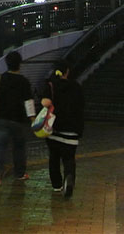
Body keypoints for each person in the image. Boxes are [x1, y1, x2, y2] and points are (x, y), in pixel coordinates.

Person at [40, 59, 85, 199]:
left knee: (54, 158)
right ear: (67, 71)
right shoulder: (77, 87)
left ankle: (57, 185)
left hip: (54, 130)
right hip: (72, 130)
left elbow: (44, 102)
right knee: (69, 159)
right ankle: (69, 178)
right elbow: (82, 107)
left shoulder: (51, 85)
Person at [0, 50, 35, 185]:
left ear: (7, 64)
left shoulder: (0, 79)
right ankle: (20, 173)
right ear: (19, 64)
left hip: (1, 118)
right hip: (17, 119)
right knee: (19, 147)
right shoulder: (24, 82)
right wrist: (33, 119)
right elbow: (28, 102)